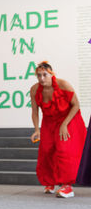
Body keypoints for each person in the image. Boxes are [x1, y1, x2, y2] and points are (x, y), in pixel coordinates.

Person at [29, 61, 86, 198]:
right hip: (49, 121)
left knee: (64, 149)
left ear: (51, 74)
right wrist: (37, 130)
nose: (41, 78)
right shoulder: (35, 89)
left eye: (44, 75)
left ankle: (67, 186)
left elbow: (76, 105)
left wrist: (64, 124)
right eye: (38, 76)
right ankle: (51, 182)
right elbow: (35, 111)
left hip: (69, 119)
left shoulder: (63, 85)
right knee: (47, 150)